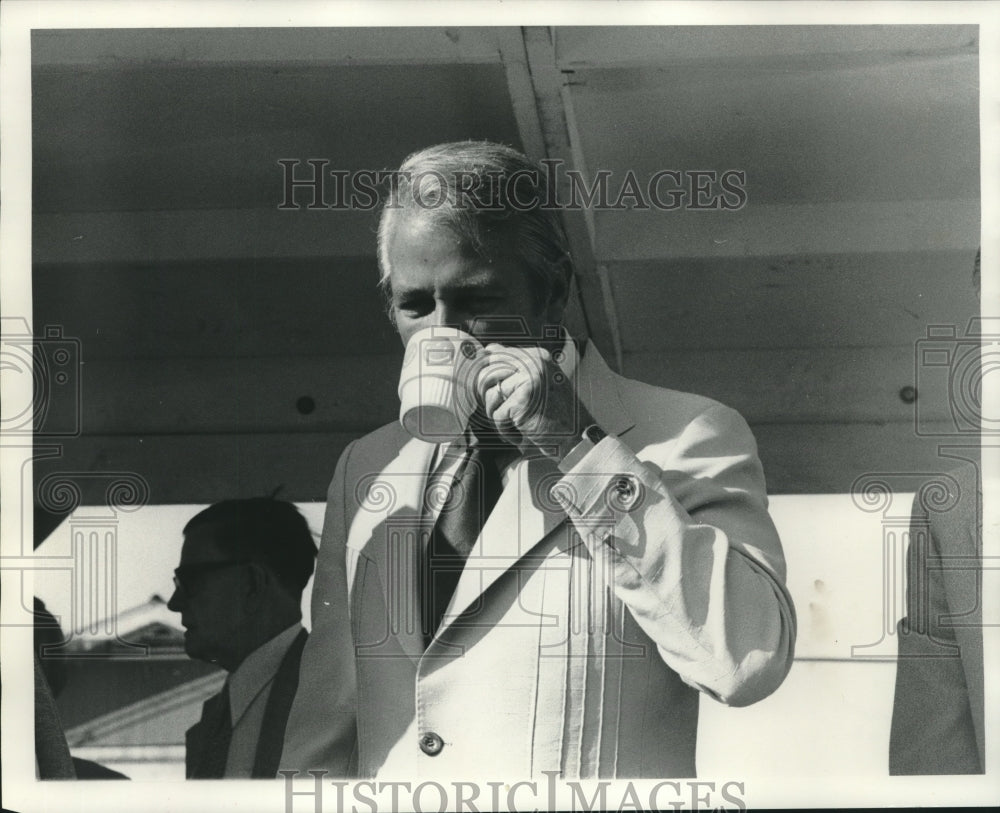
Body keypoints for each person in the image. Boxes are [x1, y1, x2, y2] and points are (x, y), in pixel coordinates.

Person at [281, 141, 796, 778]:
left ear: (552, 293)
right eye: (416, 305)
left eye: (477, 302)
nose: (444, 332)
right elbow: (327, 720)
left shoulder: (685, 433)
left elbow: (744, 661)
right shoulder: (368, 465)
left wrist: (580, 449)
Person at [167, 498, 316, 778]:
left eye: (191, 581)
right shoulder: (217, 718)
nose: (174, 603)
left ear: (251, 584)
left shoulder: (331, 705)